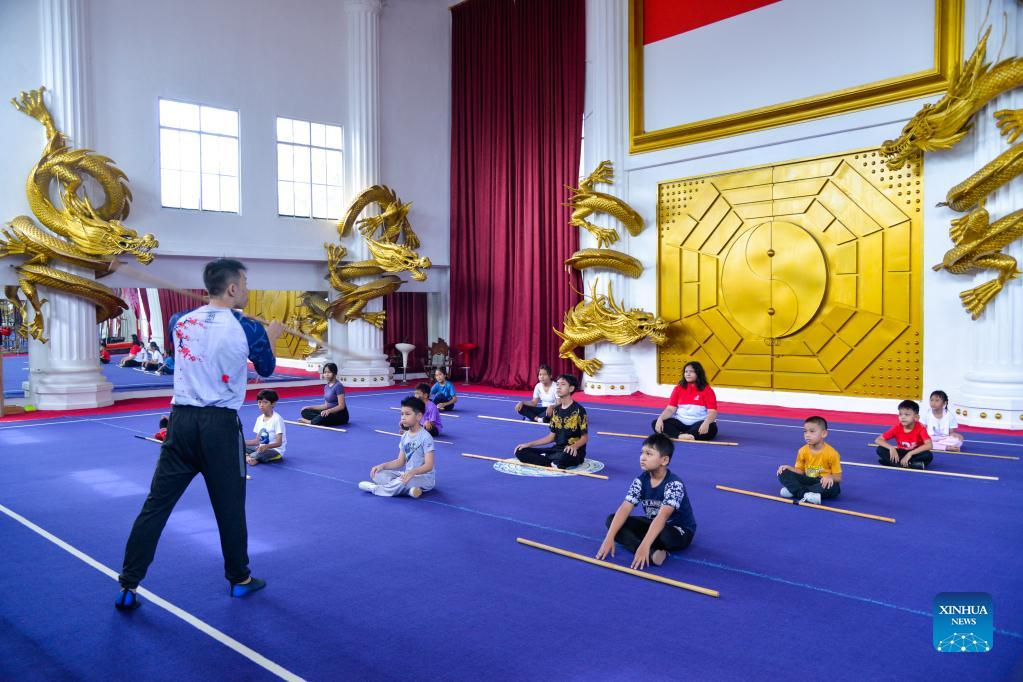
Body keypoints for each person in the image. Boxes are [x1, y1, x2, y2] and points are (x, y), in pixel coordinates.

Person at [115, 258, 284, 611]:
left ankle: (128, 584)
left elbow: (189, 358)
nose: (249, 290)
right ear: (233, 288)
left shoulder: (180, 321)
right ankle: (239, 579)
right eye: (246, 284)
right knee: (230, 508)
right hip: (219, 427)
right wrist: (270, 336)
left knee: (155, 505)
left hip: (181, 422)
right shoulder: (249, 328)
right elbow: (266, 369)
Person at [597, 433, 696, 569]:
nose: (642, 457)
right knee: (612, 520)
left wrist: (644, 544)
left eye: (649, 454)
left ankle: (645, 546)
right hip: (653, 524)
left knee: (665, 536)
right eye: (642, 453)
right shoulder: (640, 480)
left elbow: (662, 516)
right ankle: (651, 552)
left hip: (677, 530)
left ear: (664, 460)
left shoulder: (674, 484)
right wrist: (609, 537)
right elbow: (625, 508)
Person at [360, 396, 435, 498]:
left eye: (407, 414)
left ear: (419, 416)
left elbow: (429, 466)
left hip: (424, 478)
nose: (403, 417)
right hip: (407, 475)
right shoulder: (405, 436)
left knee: (401, 481)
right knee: (377, 474)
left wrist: (413, 473)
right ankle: (410, 491)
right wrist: (382, 466)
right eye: (402, 414)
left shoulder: (426, 437)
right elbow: (400, 461)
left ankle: (375, 489)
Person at [513, 374, 588, 469]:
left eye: (563, 384)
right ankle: (552, 462)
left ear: (571, 388)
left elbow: (584, 437)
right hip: (556, 450)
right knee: (520, 451)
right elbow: (551, 437)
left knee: (565, 457)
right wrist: (528, 444)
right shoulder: (556, 411)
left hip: (571, 452)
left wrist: (574, 446)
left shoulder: (579, 410)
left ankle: (551, 460)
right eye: (558, 384)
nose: (558, 387)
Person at [776, 416, 842, 505]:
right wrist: (788, 468)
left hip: (821, 482)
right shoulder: (802, 451)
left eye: (812, 431)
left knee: (834, 488)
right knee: (783, 472)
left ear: (824, 434)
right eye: (805, 431)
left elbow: (838, 478)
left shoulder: (832, 453)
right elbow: (800, 471)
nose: (807, 434)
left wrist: (829, 477)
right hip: (806, 479)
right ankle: (807, 495)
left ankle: (795, 491)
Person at [651, 361, 718, 441]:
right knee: (655, 423)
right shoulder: (678, 389)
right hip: (681, 423)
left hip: (699, 423)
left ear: (698, 373)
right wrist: (660, 418)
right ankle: (684, 436)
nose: (688, 374)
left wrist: (706, 423)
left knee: (712, 428)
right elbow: (670, 409)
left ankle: (678, 435)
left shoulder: (707, 390)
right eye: (686, 371)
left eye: (691, 371)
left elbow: (712, 412)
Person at [875, 399, 933, 469]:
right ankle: (909, 465)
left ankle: (893, 463)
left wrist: (910, 453)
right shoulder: (897, 428)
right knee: (880, 449)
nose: (903, 417)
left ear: (916, 417)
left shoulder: (921, 428)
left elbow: (929, 445)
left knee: (928, 455)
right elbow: (878, 440)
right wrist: (891, 447)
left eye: (907, 414)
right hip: (901, 452)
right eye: (900, 414)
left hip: (914, 453)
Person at [297, 362, 349, 427]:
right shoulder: (326, 387)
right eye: (325, 372)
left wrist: (329, 411)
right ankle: (319, 421)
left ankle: (310, 422)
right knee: (305, 411)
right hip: (328, 412)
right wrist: (310, 407)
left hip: (339, 415)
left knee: (324, 416)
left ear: (335, 373)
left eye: (329, 372)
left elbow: (341, 406)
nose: (326, 374)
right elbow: (326, 406)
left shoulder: (338, 386)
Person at [245, 389, 286, 465]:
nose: (261, 405)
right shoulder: (259, 419)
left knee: (259, 454)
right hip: (260, 449)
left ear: (273, 404)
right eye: (259, 402)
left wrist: (266, 446)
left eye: (265, 402)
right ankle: (250, 458)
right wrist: (241, 442)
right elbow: (257, 441)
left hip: (275, 450)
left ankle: (250, 457)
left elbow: (279, 443)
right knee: (240, 446)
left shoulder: (277, 419)